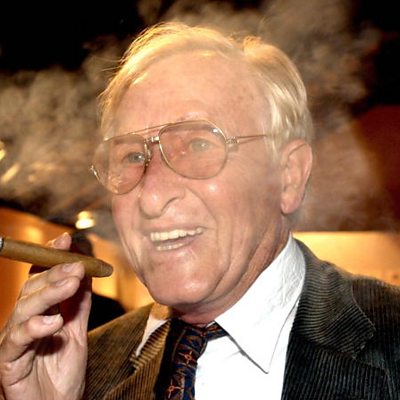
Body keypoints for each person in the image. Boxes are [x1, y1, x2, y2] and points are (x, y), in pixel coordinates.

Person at [0, 21, 399, 400]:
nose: (151, 197)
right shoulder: (84, 369)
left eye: (197, 145)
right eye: (132, 156)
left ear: (288, 176)